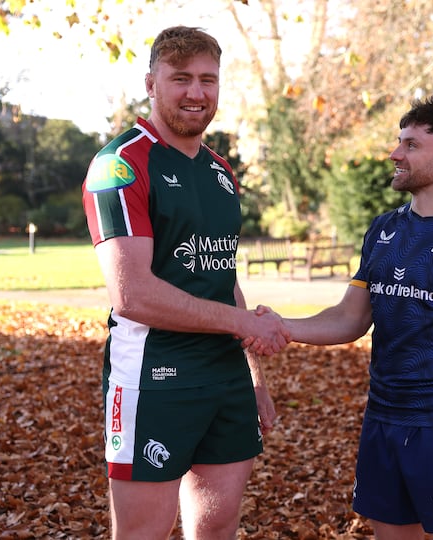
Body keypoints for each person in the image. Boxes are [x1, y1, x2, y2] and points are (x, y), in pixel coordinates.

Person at [276, 97, 433, 539]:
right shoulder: (383, 230)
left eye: (410, 145)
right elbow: (350, 319)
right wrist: (281, 327)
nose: (395, 154)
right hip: (383, 420)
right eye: (398, 142)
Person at [81, 26, 289, 539]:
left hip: (226, 380)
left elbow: (223, 276)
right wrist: (243, 322)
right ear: (151, 82)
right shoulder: (120, 165)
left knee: (217, 528)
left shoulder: (221, 172)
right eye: (181, 79)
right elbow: (133, 296)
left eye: (208, 80)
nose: (196, 93)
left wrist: (254, 377)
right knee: (142, 534)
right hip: (154, 379)